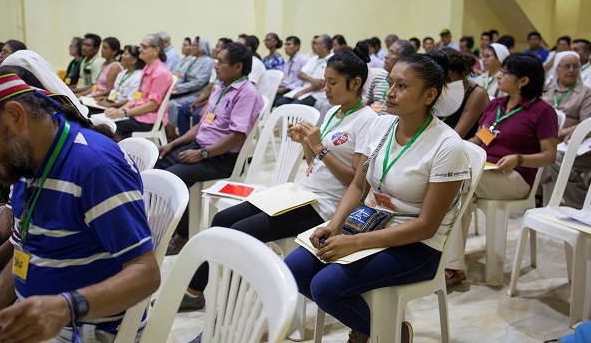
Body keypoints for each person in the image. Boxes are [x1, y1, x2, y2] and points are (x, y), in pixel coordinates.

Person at [183, 42, 378, 331]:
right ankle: (194, 292)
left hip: (326, 205)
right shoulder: (335, 112)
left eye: (332, 82)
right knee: (223, 219)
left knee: (240, 235)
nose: (325, 88)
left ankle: (228, 323)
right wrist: (306, 144)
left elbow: (355, 184)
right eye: (324, 81)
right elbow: (316, 164)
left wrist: (319, 147)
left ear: (356, 83)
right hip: (303, 192)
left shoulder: (368, 121)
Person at [284, 50, 470, 343]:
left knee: (325, 287)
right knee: (294, 269)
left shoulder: (447, 146)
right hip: (370, 222)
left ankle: (389, 333)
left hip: (417, 244)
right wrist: (334, 225)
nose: (391, 92)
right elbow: (358, 187)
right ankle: (377, 326)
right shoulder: (382, 125)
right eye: (391, 83)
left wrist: (353, 242)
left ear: (429, 95)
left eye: (403, 86)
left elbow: (426, 226)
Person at [0, 72, 160, 342]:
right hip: (39, 316)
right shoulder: (28, 161)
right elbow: (25, 252)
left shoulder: (95, 167)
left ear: (15, 117)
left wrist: (66, 307)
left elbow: (146, 274)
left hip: (84, 330)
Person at [446, 53, 558, 286]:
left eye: (505, 72)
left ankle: (449, 265)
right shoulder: (496, 105)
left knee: (457, 182)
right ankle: (452, 266)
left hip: (516, 177)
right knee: (458, 192)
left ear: (523, 80)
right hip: (485, 173)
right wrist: (458, 152)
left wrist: (518, 159)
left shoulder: (542, 111)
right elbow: (481, 138)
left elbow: (549, 155)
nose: (499, 75)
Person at [156, 42, 264, 254]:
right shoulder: (222, 88)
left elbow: (237, 135)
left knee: (174, 177)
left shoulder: (247, 93)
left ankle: (183, 235)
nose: (216, 66)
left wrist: (202, 153)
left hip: (220, 158)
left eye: (221, 62)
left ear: (237, 67)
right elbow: (201, 125)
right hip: (200, 148)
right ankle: (165, 225)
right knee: (156, 165)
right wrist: (173, 143)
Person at [542, 51, 591, 208]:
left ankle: (581, 205)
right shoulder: (548, 88)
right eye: (567, 66)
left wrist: (561, 133)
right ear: (557, 68)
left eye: (575, 66)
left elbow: (586, 124)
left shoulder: (585, 93)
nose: (571, 70)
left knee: (554, 158)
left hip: (568, 141)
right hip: (544, 137)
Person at [104, 34, 172, 139]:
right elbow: (137, 96)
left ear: (156, 50)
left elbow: (152, 105)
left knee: (109, 129)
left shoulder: (160, 73)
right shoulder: (147, 68)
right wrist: (118, 111)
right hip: (137, 115)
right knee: (107, 124)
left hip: (148, 119)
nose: (140, 49)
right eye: (140, 46)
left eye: (144, 47)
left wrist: (124, 113)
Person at [176, 38, 232, 136]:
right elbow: (209, 89)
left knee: (197, 114)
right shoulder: (216, 67)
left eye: (217, 47)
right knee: (184, 109)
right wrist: (196, 102)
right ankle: (184, 139)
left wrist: (204, 104)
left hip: (215, 102)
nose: (213, 49)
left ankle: (199, 141)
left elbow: (219, 95)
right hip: (209, 99)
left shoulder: (219, 68)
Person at [165, 36, 213, 141]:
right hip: (186, 90)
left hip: (197, 93)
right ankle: (171, 135)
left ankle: (176, 136)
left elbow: (199, 82)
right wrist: (173, 85)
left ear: (201, 47)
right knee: (166, 100)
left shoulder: (208, 61)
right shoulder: (193, 60)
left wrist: (180, 86)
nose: (192, 48)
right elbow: (182, 76)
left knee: (172, 104)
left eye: (195, 45)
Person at [441, 48, 489, 139]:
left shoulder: (477, 94)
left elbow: (457, 135)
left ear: (450, 75)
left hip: (463, 145)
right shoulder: (447, 88)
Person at [275, 34, 333, 107]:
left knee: (294, 106)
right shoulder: (313, 58)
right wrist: (313, 80)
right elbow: (300, 74)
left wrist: (302, 92)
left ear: (324, 47)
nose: (313, 46)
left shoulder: (332, 60)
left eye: (316, 44)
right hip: (304, 89)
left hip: (317, 94)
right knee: (280, 102)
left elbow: (322, 84)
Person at [366, 39, 415, 115]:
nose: (386, 56)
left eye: (392, 52)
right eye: (388, 51)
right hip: (373, 122)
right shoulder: (378, 78)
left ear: (403, 59)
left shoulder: (407, 84)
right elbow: (368, 103)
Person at [95, 45, 145, 109]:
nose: (122, 56)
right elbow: (116, 92)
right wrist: (106, 98)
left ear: (134, 60)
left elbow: (131, 100)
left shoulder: (138, 77)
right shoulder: (122, 73)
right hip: (112, 103)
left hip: (122, 109)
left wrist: (110, 105)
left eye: (125, 54)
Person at [274, 36, 308, 106]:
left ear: (297, 46)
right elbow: (285, 77)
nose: (286, 47)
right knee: (270, 98)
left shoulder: (303, 60)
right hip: (285, 88)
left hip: (295, 90)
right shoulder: (288, 61)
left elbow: (301, 81)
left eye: (289, 44)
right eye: (285, 44)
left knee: (279, 102)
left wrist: (287, 88)